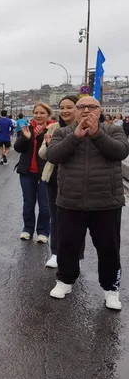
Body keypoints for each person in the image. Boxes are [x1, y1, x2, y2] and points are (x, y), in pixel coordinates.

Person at [47, 96, 129, 310]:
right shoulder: (63, 132)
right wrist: (75, 137)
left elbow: (121, 151)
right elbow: (53, 155)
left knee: (109, 248)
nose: (86, 110)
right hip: (70, 201)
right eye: (81, 107)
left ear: (99, 111)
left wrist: (96, 135)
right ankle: (65, 281)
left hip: (106, 202)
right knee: (67, 245)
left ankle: (111, 288)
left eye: (91, 107)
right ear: (75, 110)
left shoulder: (113, 131)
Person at [38, 96, 82, 268]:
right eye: (62, 107)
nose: (65, 111)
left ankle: (76, 255)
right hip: (54, 177)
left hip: (77, 179)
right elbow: (43, 154)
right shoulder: (53, 127)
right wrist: (48, 146)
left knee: (77, 220)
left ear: (77, 109)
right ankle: (56, 252)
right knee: (56, 217)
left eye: (69, 107)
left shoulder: (84, 127)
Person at [14, 102, 54, 243]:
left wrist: (41, 138)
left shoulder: (53, 130)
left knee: (44, 205)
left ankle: (43, 231)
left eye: (42, 113)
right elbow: (18, 148)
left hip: (45, 173)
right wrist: (26, 138)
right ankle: (27, 229)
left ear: (48, 115)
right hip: (27, 172)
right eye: (36, 112)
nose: (38, 115)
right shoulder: (28, 128)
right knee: (28, 203)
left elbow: (54, 151)